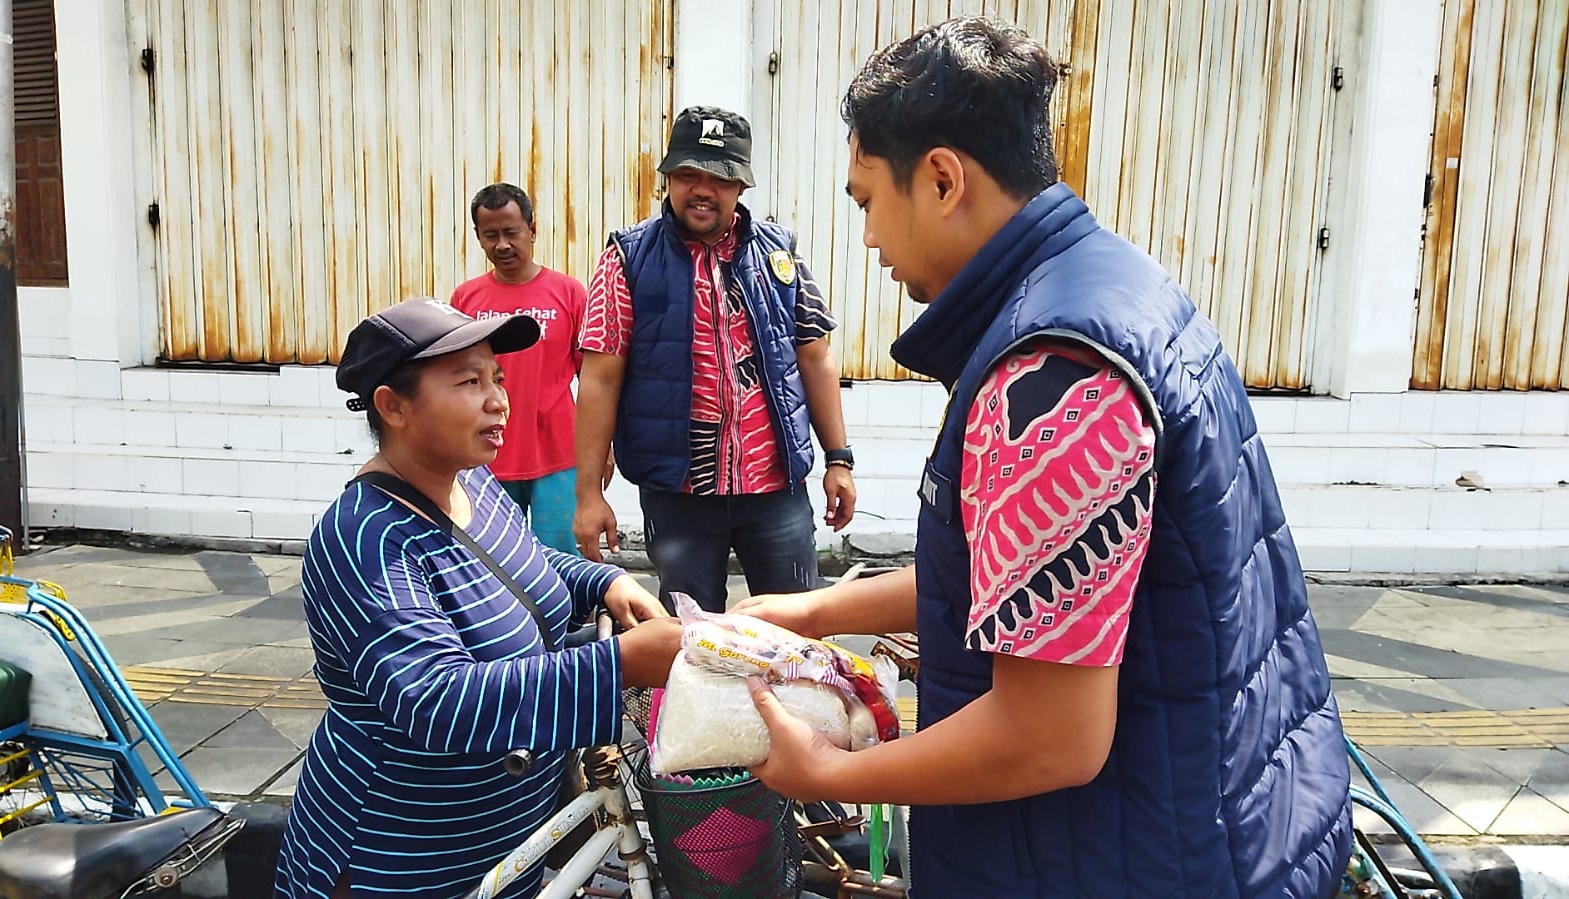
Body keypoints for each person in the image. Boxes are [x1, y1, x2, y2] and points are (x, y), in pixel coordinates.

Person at [738, 17, 1352, 898]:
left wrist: (829, 774)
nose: (867, 238)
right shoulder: (1116, 289)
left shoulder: (1051, 376)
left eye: (867, 199)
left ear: (942, 180)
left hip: (1130, 859)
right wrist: (809, 613)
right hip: (1218, 817)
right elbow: (1024, 580)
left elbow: (1047, 735)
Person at [273, 298, 680, 899]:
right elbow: (436, 700)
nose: (498, 400)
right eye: (469, 382)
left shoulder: (474, 482)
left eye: (497, 378)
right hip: (401, 859)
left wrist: (607, 582)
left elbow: (526, 567)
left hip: (504, 843)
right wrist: (620, 664)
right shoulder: (365, 538)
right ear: (394, 406)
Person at [573, 105, 857, 612]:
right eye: (688, 175)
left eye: (720, 178)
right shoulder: (627, 258)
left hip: (775, 490)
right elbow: (599, 379)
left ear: (741, 187)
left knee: (793, 633)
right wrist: (588, 494)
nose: (702, 189)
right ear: (668, 180)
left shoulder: (779, 254)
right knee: (692, 640)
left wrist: (839, 459)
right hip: (678, 494)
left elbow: (814, 357)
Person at [451, 183, 589, 554]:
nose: (502, 245)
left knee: (561, 555)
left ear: (532, 229)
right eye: (490, 235)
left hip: (558, 454)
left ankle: (571, 615)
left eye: (511, 232)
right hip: (486, 455)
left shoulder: (569, 293)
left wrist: (601, 450)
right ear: (478, 237)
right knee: (495, 557)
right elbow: (454, 379)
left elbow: (592, 379)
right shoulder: (466, 299)